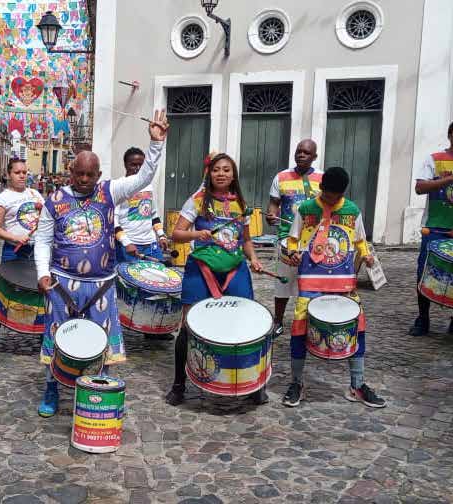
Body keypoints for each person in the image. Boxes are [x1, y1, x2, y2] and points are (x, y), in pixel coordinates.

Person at [33, 110, 169, 417]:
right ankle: (52, 388)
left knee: (103, 341)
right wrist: (43, 274)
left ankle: (100, 389)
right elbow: (42, 241)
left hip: (102, 283)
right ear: (70, 171)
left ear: (98, 174)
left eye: (89, 175)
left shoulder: (110, 192)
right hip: (61, 282)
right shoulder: (54, 200)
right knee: (58, 337)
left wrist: (156, 143)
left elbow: (144, 176)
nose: (83, 180)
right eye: (78, 174)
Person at [164, 153, 267, 406]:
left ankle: (254, 385)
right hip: (202, 268)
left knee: (247, 325)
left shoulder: (241, 204)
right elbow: (176, 233)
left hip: (235, 269)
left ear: (233, 176)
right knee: (188, 326)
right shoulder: (198, 200)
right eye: (217, 170)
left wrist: (253, 258)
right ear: (209, 174)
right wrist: (198, 233)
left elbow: (245, 239)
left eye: (227, 170)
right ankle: (179, 385)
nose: (221, 174)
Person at [280, 167, 386, 409]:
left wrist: (367, 256)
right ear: (321, 189)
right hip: (311, 281)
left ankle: (357, 384)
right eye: (328, 196)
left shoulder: (352, 210)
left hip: (344, 283)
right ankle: (297, 382)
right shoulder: (306, 210)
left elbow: (360, 240)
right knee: (299, 328)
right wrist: (292, 252)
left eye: (337, 196)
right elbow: (292, 238)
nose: (332, 200)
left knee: (357, 326)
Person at [409, 119, 453, 338]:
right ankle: (423, 318)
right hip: (435, 227)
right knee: (426, 272)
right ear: (449, 135)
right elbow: (420, 187)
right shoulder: (434, 159)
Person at [0, 158, 46, 345]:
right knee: (4, 287)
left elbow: (46, 217)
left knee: (40, 287)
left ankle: (43, 329)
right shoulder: (2, 199)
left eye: (24, 172)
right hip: (13, 250)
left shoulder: (35, 194)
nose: (22, 176)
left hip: (36, 249)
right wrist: (15, 238)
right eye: (17, 173)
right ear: (9, 175)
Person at [266, 140, 323, 338]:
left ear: (314, 156)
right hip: (286, 239)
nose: (301, 155)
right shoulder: (281, 177)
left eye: (306, 152)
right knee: (283, 282)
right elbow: (274, 203)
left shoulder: (322, 178)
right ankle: (278, 321)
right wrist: (271, 215)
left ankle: (310, 323)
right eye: (298, 151)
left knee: (311, 283)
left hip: (315, 242)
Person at [114, 147, 170, 264]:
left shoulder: (148, 186)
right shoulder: (119, 187)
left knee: (157, 278)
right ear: (125, 165)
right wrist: (126, 242)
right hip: (130, 246)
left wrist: (161, 235)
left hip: (151, 245)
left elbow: (153, 215)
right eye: (133, 165)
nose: (137, 168)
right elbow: (114, 221)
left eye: (141, 165)